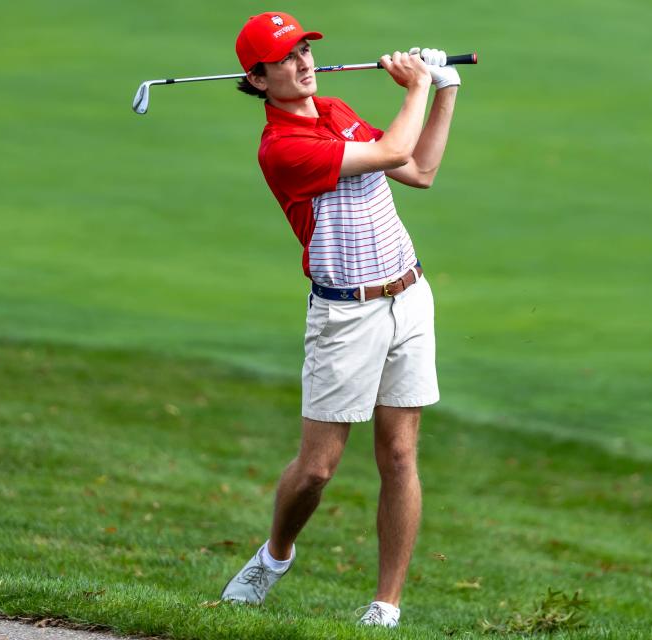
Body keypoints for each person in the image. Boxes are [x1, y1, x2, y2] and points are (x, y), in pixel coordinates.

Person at [220, 12, 461, 628]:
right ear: (257, 78)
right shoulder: (282, 147)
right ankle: (274, 555)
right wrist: (416, 87)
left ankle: (386, 606)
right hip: (344, 314)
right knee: (318, 467)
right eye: (286, 58)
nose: (304, 64)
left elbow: (420, 171)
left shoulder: (336, 109)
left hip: (409, 295)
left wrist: (445, 89)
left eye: (305, 51)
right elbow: (391, 150)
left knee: (401, 456)